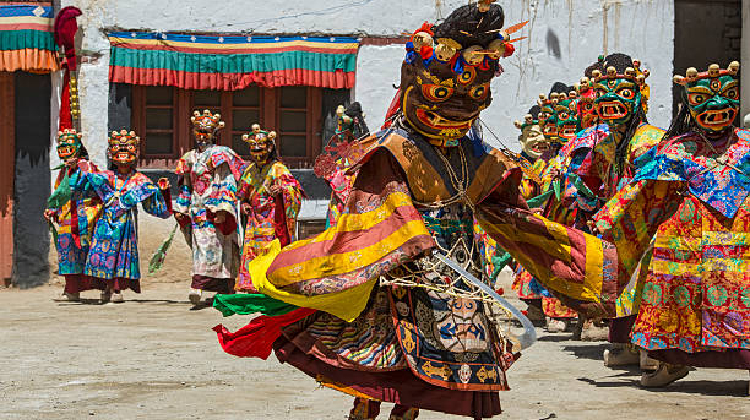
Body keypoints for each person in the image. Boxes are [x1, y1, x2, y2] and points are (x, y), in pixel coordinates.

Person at [214, 4, 615, 418]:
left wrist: (571, 251)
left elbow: (507, 213)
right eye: (442, 93)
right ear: (412, 85)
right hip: (396, 271)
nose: (458, 104)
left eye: (474, 94)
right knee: (382, 370)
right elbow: (378, 207)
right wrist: (413, 238)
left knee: (425, 382)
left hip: (458, 276)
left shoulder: (479, 157)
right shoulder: (393, 150)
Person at [595, 61, 750, 389]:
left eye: (727, 98)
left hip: (740, 245)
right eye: (702, 100)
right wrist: (612, 217)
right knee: (671, 295)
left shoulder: (747, 146)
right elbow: (643, 188)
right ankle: (672, 363)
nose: (716, 107)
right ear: (689, 106)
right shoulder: (678, 147)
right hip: (685, 246)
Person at [82, 130, 172, 303]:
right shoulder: (105, 177)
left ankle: (117, 289)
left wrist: (163, 192)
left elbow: (155, 207)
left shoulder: (140, 180)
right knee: (102, 254)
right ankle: (105, 288)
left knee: (122, 255)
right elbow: (85, 190)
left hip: (126, 225)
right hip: (105, 222)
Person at [174, 110, 245, 305]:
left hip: (216, 210)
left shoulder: (220, 154)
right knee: (200, 248)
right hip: (197, 210)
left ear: (214, 132)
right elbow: (186, 184)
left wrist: (222, 207)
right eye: (198, 131)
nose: (201, 135)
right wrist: (181, 206)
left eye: (206, 131)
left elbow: (226, 181)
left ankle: (218, 287)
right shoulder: (189, 157)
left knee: (221, 249)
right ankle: (199, 285)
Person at [235, 125, 304, 292]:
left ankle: (270, 283)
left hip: (272, 218)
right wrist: (244, 204)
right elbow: (242, 194)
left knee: (270, 250)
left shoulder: (278, 169)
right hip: (254, 220)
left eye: (261, 147)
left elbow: (295, 190)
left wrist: (282, 191)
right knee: (252, 250)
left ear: (270, 147)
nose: (257, 151)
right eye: (253, 148)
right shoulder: (249, 170)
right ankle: (250, 284)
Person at [45, 129, 103, 301]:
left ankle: (104, 287)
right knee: (67, 251)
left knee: (92, 251)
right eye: (62, 147)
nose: (65, 150)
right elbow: (60, 193)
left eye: (68, 146)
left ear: (77, 147)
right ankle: (71, 289)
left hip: (87, 215)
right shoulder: (63, 171)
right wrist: (53, 209)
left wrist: (78, 168)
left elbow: (96, 186)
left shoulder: (87, 166)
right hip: (67, 216)